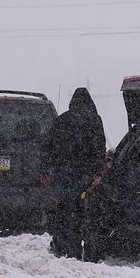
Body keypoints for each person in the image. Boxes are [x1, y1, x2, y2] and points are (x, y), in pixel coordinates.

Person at [43, 87, 106, 257]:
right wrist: (97, 172)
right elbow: (100, 148)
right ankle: (86, 250)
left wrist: (46, 169)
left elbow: (48, 146)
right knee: (85, 213)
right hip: (85, 175)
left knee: (64, 211)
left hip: (63, 173)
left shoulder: (62, 119)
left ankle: (65, 247)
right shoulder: (95, 120)